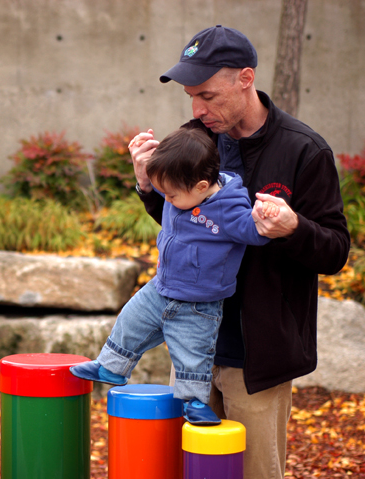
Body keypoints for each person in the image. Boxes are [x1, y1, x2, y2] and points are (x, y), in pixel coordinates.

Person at [127, 25, 350, 478]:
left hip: (258, 358)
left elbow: (334, 252)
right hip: (192, 346)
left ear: (245, 79)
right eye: (191, 96)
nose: (197, 109)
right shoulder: (195, 140)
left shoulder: (304, 150)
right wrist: (149, 185)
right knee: (184, 470)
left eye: (207, 96)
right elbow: (183, 226)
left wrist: (293, 228)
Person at [70, 126, 277, 425]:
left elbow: (252, 232)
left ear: (202, 186)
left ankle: (194, 402)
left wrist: (265, 217)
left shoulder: (229, 208)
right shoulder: (180, 190)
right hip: (161, 286)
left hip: (199, 303)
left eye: (170, 195)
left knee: (192, 353)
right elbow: (162, 189)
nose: (165, 200)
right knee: (130, 320)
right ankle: (112, 367)